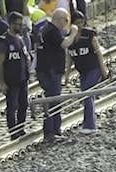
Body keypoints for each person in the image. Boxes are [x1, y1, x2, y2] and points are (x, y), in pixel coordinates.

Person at [36, 8, 78, 142]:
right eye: (66, 20)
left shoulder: (46, 30)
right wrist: (73, 33)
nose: (67, 23)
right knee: (53, 101)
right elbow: (64, 44)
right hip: (51, 70)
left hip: (47, 69)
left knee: (53, 100)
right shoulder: (52, 31)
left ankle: (54, 130)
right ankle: (51, 131)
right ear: (60, 19)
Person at [64, 11, 108, 134]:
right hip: (83, 71)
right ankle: (89, 123)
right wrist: (67, 74)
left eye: (81, 23)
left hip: (94, 69)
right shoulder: (70, 38)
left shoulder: (89, 35)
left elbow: (98, 52)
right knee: (87, 96)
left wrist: (103, 69)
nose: (79, 26)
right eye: (77, 23)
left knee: (87, 93)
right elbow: (70, 57)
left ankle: (90, 125)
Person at [0, 11, 32, 140]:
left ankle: (21, 128)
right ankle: (13, 131)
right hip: (11, 79)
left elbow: (25, 56)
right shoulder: (4, 41)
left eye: (22, 24)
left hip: (22, 78)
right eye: (19, 24)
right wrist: (2, 82)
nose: (21, 27)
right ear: (11, 24)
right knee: (12, 106)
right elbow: (0, 63)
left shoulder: (20, 39)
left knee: (24, 104)